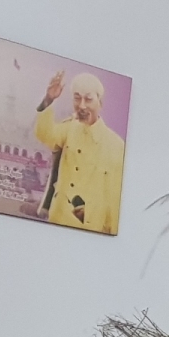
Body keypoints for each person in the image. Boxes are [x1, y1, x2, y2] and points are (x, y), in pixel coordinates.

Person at [34, 71, 125, 234]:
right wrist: (49, 100)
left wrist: (111, 235)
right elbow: (44, 134)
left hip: (89, 228)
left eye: (88, 99)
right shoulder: (68, 128)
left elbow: (114, 199)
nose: (82, 105)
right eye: (77, 98)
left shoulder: (116, 145)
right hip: (58, 220)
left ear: (100, 103)